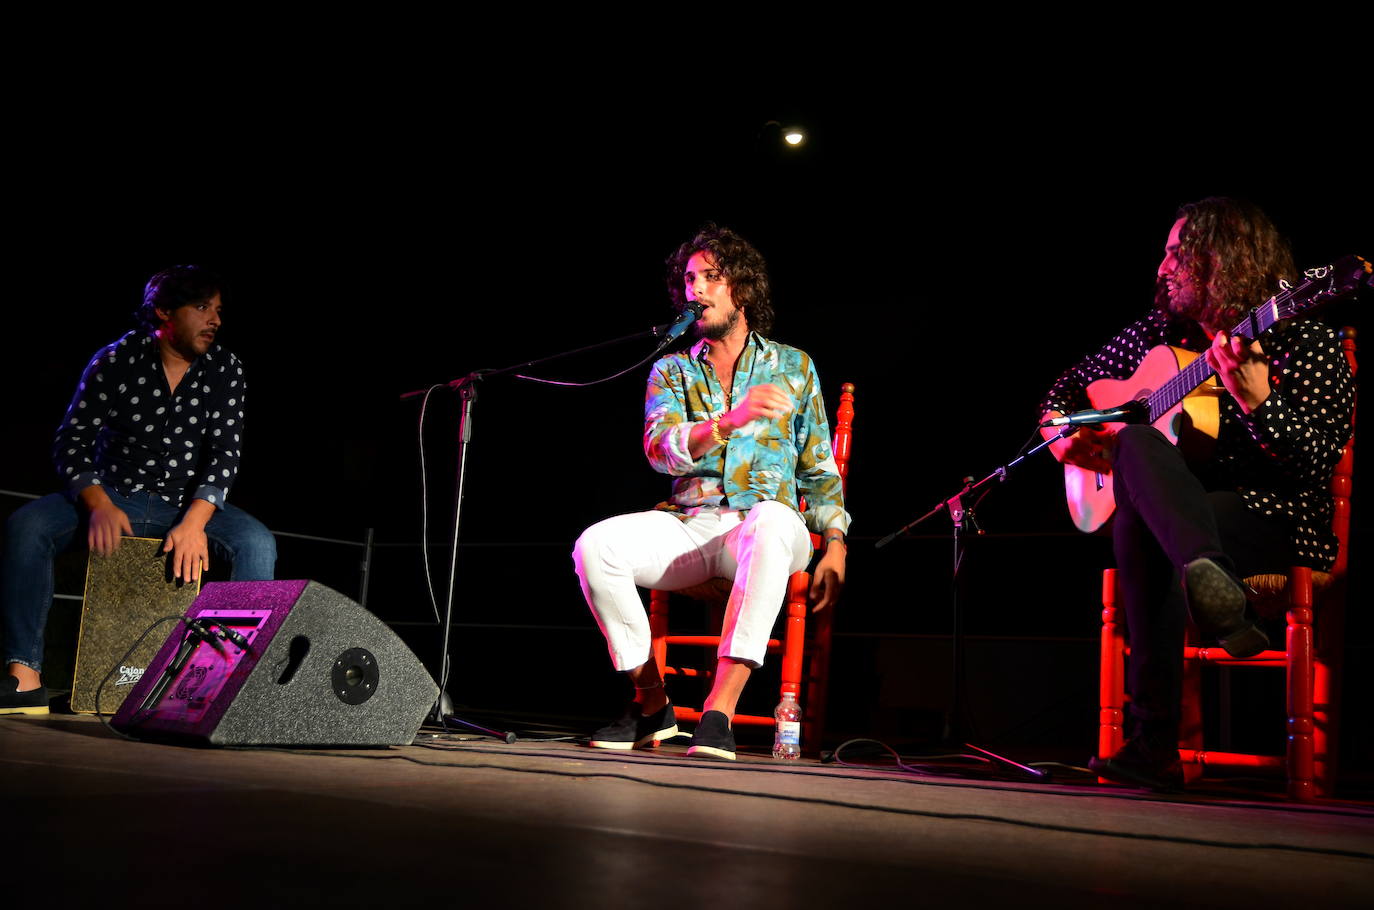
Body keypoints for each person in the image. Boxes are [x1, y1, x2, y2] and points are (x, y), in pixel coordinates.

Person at [1039, 198, 1354, 790]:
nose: (1162, 268)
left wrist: (1260, 401)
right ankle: (1208, 577)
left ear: (1221, 259)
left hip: (1275, 516)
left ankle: (1153, 743)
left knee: (1152, 521)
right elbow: (1067, 388)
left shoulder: (1306, 340)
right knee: (1135, 448)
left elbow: (1315, 464)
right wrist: (1061, 437)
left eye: (1176, 254)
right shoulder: (1162, 335)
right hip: (1188, 518)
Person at [573, 224, 850, 760]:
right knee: (595, 546)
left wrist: (836, 541)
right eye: (689, 279)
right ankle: (654, 705)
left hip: (770, 525)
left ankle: (718, 711)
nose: (695, 289)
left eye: (711, 277)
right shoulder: (671, 369)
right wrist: (728, 422)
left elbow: (819, 466)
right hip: (693, 521)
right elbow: (660, 452)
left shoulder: (793, 366)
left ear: (741, 290)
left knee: (770, 521)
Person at [0, 265, 276, 715]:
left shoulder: (225, 369)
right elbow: (71, 440)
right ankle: (24, 677)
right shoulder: (116, 359)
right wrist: (97, 502)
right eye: (202, 308)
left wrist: (194, 522)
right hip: (115, 495)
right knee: (26, 526)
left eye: (219, 310)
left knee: (256, 542)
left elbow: (224, 454)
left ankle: (227, 689)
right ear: (164, 311)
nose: (216, 320)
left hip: (183, 504)